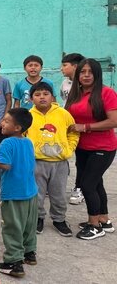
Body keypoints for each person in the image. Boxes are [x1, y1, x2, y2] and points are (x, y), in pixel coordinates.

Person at [0, 108, 38, 278]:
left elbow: (5, 165)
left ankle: (14, 262)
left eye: (6, 121)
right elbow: (19, 158)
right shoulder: (27, 142)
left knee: (12, 227)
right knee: (28, 225)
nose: (1, 123)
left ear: (17, 127)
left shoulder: (6, 143)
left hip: (13, 193)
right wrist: (0, 153)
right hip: (30, 191)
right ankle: (29, 253)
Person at [65, 58, 117, 240]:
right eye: (82, 72)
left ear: (97, 74)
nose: (86, 75)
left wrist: (85, 127)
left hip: (103, 147)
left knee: (87, 185)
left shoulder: (106, 93)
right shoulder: (76, 94)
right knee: (96, 183)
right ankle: (104, 220)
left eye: (90, 72)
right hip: (82, 147)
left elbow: (114, 121)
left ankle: (94, 226)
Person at [27, 82, 78, 237]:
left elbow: (73, 132)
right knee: (37, 194)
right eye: (37, 95)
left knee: (59, 194)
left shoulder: (63, 114)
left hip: (59, 163)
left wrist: (69, 149)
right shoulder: (28, 116)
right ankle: (38, 218)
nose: (42, 97)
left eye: (45, 94)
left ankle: (59, 219)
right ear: (31, 99)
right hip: (37, 163)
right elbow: (21, 135)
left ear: (52, 96)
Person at [59, 53, 85, 205]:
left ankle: (79, 188)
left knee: (82, 160)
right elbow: (64, 101)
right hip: (67, 125)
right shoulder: (65, 83)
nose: (61, 68)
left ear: (75, 66)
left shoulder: (85, 84)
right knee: (64, 153)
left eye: (64, 65)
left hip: (82, 126)